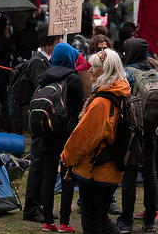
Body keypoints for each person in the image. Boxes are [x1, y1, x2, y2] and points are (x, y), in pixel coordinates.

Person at [61, 48, 130, 234]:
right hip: (109, 169)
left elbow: (84, 137)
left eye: (95, 66)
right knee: (101, 220)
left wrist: (67, 158)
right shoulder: (121, 92)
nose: (90, 69)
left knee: (92, 224)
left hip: (95, 171)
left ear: (106, 70)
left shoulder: (102, 102)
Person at [116, 38, 158, 233]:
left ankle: (126, 221)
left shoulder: (128, 74)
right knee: (150, 175)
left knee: (129, 175)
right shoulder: (156, 74)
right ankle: (150, 221)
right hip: (152, 132)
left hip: (131, 133)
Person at [39, 42, 84, 233]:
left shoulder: (44, 77)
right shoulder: (74, 79)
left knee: (48, 175)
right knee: (67, 176)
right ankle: (65, 222)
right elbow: (80, 107)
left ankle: (48, 221)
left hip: (48, 131)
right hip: (68, 133)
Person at [23, 24, 63, 223]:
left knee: (43, 162)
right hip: (39, 117)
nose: (60, 44)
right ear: (50, 43)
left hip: (45, 118)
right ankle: (30, 207)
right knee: (37, 162)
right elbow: (43, 84)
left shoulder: (45, 61)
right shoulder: (37, 62)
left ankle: (38, 203)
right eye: (57, 41)